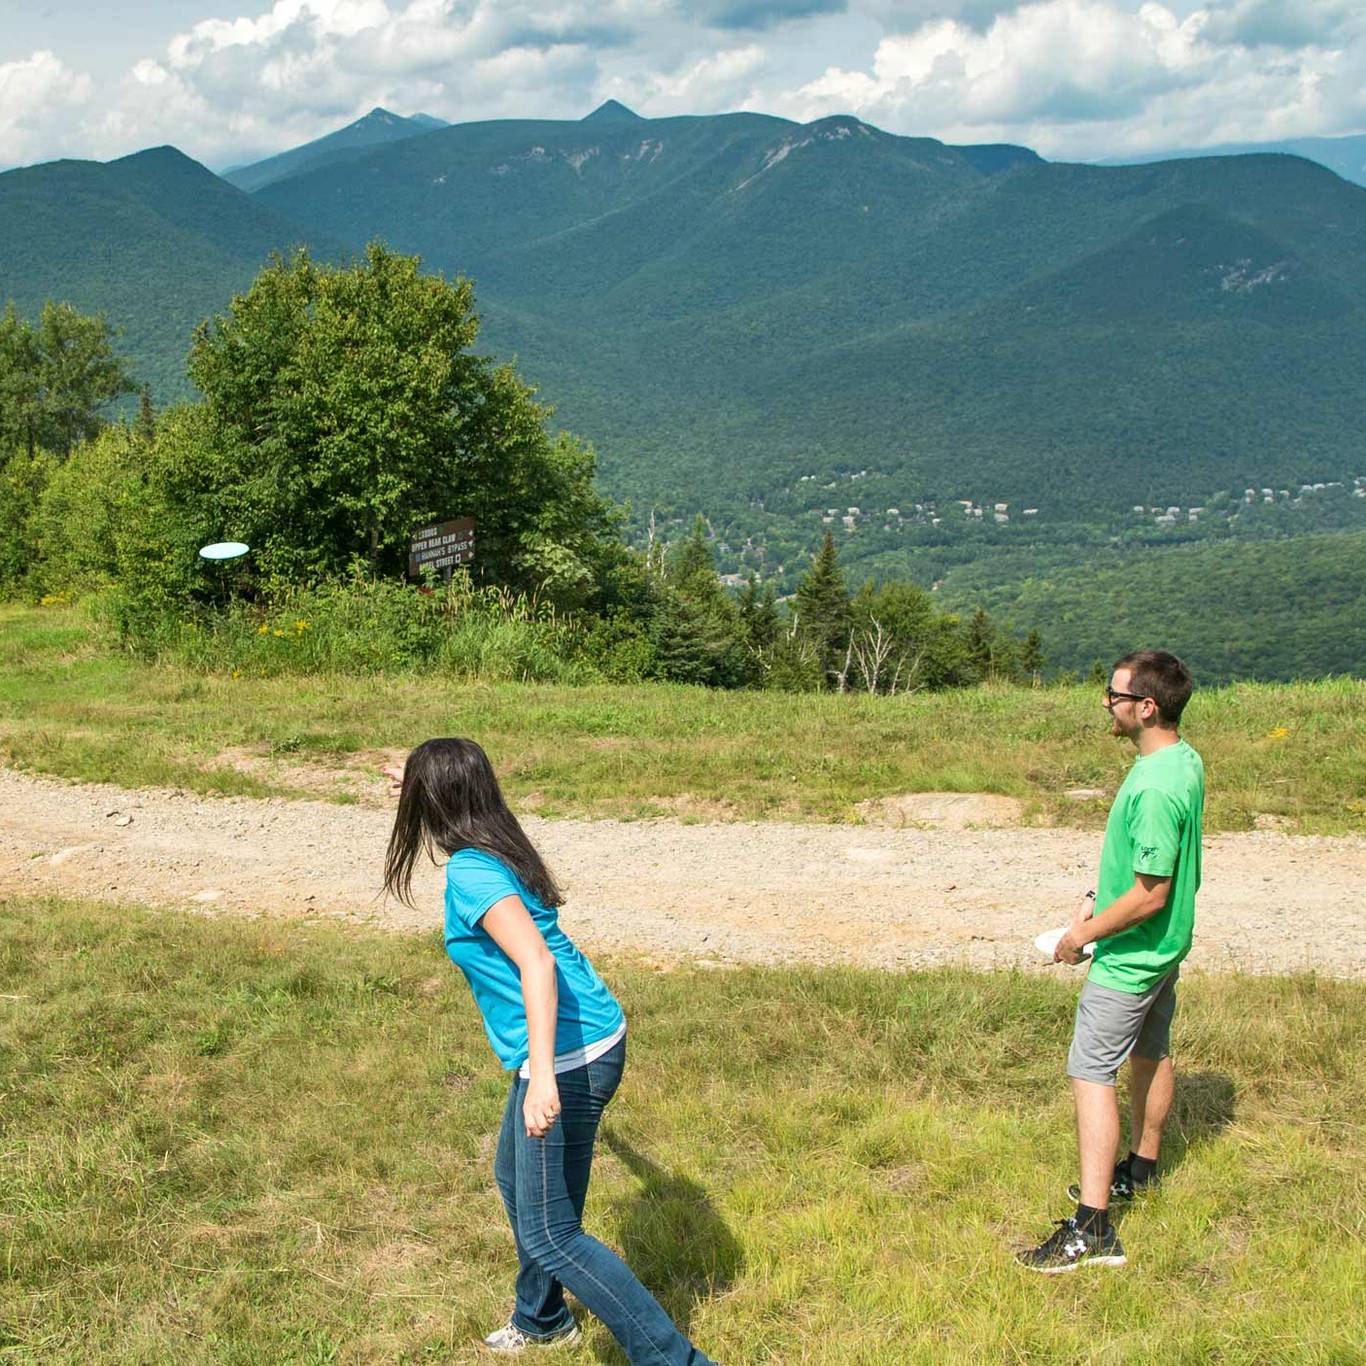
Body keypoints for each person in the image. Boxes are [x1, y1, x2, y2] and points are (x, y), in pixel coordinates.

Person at [383, 739, 718, 1362]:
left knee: (552, 1232)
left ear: (436, 800)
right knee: (516, 1179)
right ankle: (542, 1318)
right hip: (584, 1036)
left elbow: (536, 963)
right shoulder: (493, 842)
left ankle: (678, 1360)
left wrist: (540, 1076)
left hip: (566, 1054)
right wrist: (412, 773)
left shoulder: (470, 870)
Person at [1018, 650, 1204, 1273]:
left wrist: (1080, 936)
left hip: (1129, 960)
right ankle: (1142, 1172)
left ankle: (1093, 1229)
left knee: (1091, 1072)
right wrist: (1098, 893)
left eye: (1114, 695)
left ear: (1145, 707)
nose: (1107, 703)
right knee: (1152, 1051)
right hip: (1166, 951)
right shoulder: (1181, 760)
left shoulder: (1153, 787)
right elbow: (1151, 871)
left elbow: (1151, 894)